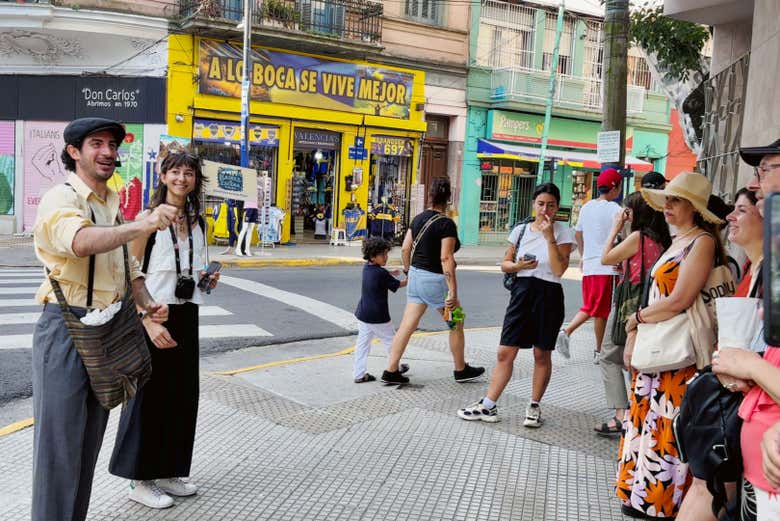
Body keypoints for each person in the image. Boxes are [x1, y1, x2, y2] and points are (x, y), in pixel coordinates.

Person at [31, 117, 174, 521]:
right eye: (97, 144)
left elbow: (124, 265)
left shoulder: (110, 200)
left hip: (107, 327)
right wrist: (140, 224)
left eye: (113, 145)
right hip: (66, 328)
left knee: (86, 445)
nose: (108, 152)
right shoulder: (61, 198)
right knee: (59, 450)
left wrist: (145, 302)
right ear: (74, 152)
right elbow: (79, 242)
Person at [109, 152, 218, 508]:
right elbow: (129, 269)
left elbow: (190, 270)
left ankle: (170, 470)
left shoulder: (198, 220)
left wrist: (208, 279)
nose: (182, 179)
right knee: (148, 398)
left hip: (186, 314)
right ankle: (139, 478)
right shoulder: (148, 219)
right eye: (175, 172)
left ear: (196, 179)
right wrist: (145, 320)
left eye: (189, 173)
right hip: (153, 314)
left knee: (182, 396)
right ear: (163, 175)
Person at [617, 172, 726, 519]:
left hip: (677, 351)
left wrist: (637, 320)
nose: (667, 205)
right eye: (667, 199)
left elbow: (680, 299)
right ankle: (640, 495)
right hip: (658, 345)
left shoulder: (702, 242)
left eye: (675, 200)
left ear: (693, 207)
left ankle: (660, 502)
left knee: (667, 425)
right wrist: (637, 329)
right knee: (648, 419)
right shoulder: (677, 241)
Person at [457, 183, 575, 427]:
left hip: (549, 294)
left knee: (541, 353)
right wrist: (518, 266)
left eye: (551, 205)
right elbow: (504, 263)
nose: (545, 210)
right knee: (505, 352)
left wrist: (549, 237)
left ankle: (534, 406)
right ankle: (488, 405)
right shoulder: (521, 230)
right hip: (522, 293)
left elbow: (559, 269)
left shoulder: (563, 232)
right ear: (533, 204)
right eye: (541, 204)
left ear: (557, 207)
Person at [381, 176, 485, 385]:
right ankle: (460, 369)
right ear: (449, 199)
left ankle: (391, 370)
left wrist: (409, 271)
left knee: (406, 326)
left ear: (429, 196)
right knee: (456, 322)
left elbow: (405, 248)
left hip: (417, 278)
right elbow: (446, 258)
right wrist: (453, 292)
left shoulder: (418, 218)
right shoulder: (446, 224)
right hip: (435, 281)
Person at [594, 192, 671, 436]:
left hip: (629, 305)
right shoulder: (661, 239)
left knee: (608, 356)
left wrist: (616, 227)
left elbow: (605, 258)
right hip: (650, 305)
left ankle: (621, 415)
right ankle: (639, 410)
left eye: (627, 212)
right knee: (633, 359)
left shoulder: (637, 237)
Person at [556, 168, 623, 364]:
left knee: (598, 311)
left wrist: (584, 256)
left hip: (590, 267)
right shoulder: (616, 211)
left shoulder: (586, 207)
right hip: (607, 268)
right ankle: (567, 331)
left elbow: (578, 233)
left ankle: (598, 350)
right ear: (615, 187)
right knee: (596, 308)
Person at [353, 237, 408, 383]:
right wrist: (412, 279)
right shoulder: (381, 273)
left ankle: (359, 374)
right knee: (392, 341)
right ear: (373, 256)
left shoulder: (367, 267)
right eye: (383, 255)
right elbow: (398, 285)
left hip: (364, 313)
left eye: (386, 254)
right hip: (379, 316)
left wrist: (389, 272)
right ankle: (394, 367)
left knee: (362, 345)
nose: (386, 257)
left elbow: (378, 273)